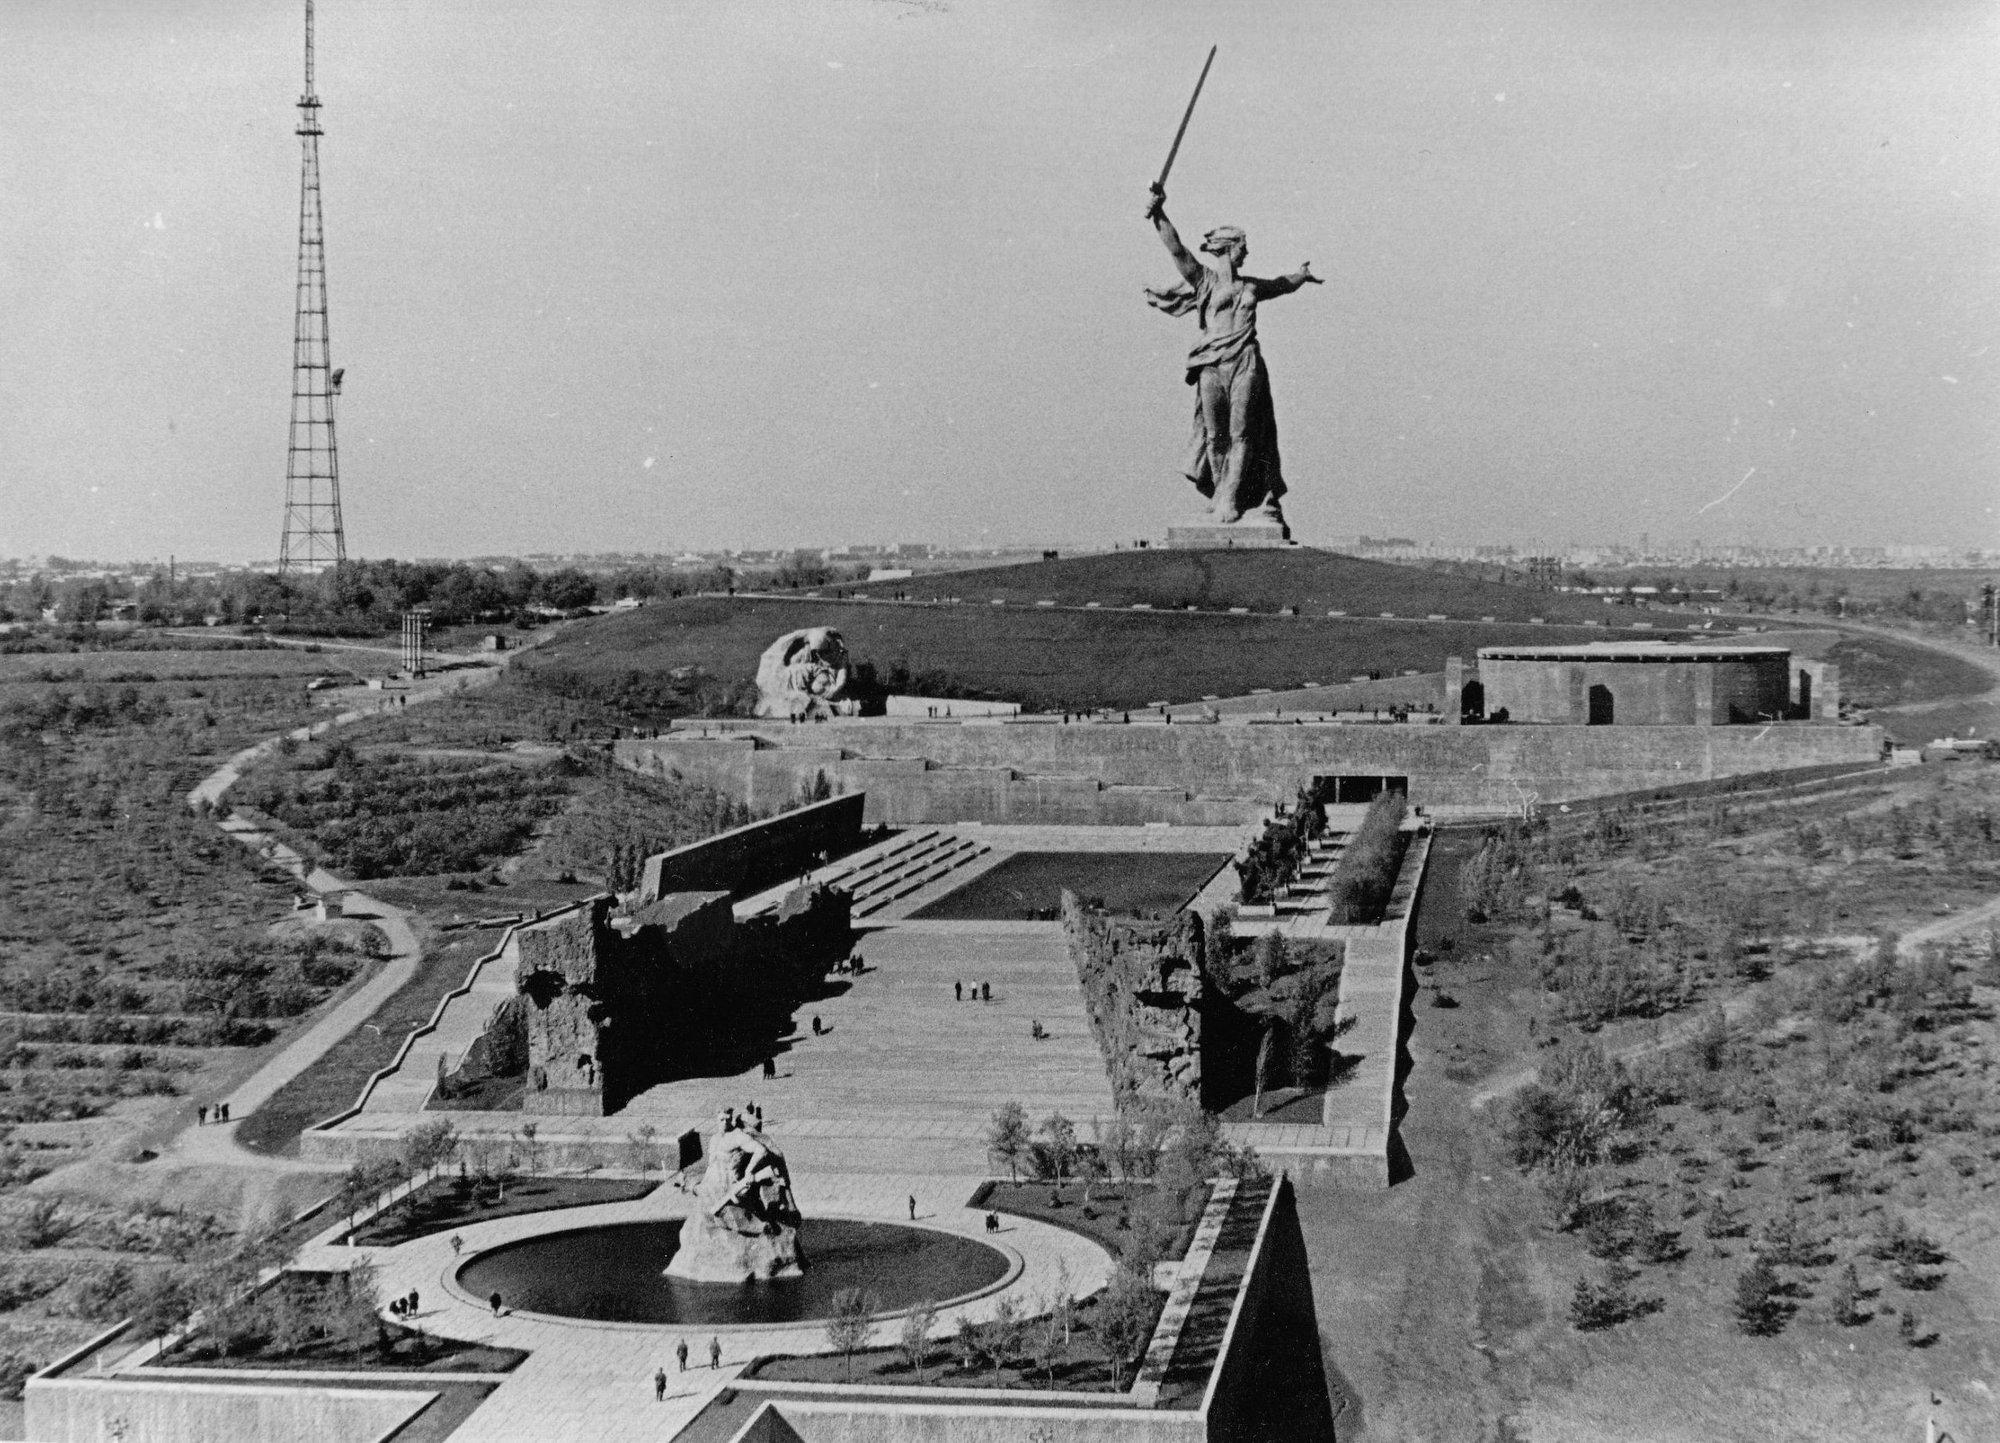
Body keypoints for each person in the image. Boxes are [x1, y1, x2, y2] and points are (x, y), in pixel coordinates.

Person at [1144, 182, 1321, 526]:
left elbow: (1280, 284)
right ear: (1228, 248)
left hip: (1245, 361)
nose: (1247, 253)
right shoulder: (1205, 281)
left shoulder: (1251, 286)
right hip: (1211, 363)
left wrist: (1301, 275)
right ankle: (1219, 493)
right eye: (1243, 247)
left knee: (1241, 432)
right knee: (1214, 435)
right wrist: (1159, 212)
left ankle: (1231, 500)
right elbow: (1177, 250)